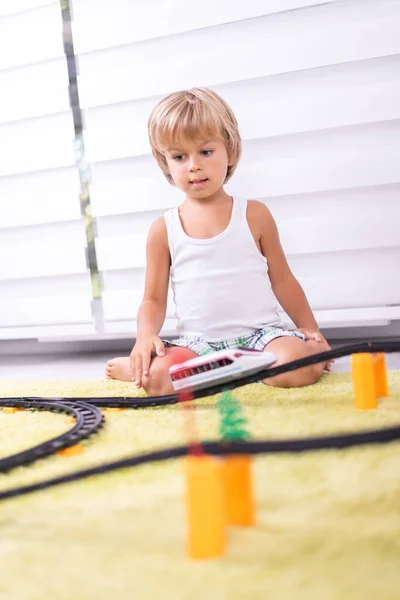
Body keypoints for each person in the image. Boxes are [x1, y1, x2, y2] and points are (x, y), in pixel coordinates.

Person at [106, 87, 333, 395]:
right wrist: (145, 336)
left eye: (206, 152)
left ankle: (236, 369)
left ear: (230, 150)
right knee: (159, 380)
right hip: (198, 347)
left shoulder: (255, 215)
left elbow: (282, 280)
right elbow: (153, 300)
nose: (193, 166)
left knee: (298, 367)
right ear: (166, 163)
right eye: (179, 156)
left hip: (260, 338)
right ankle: (136, 367)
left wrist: (310, 328)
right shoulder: (164, 229)